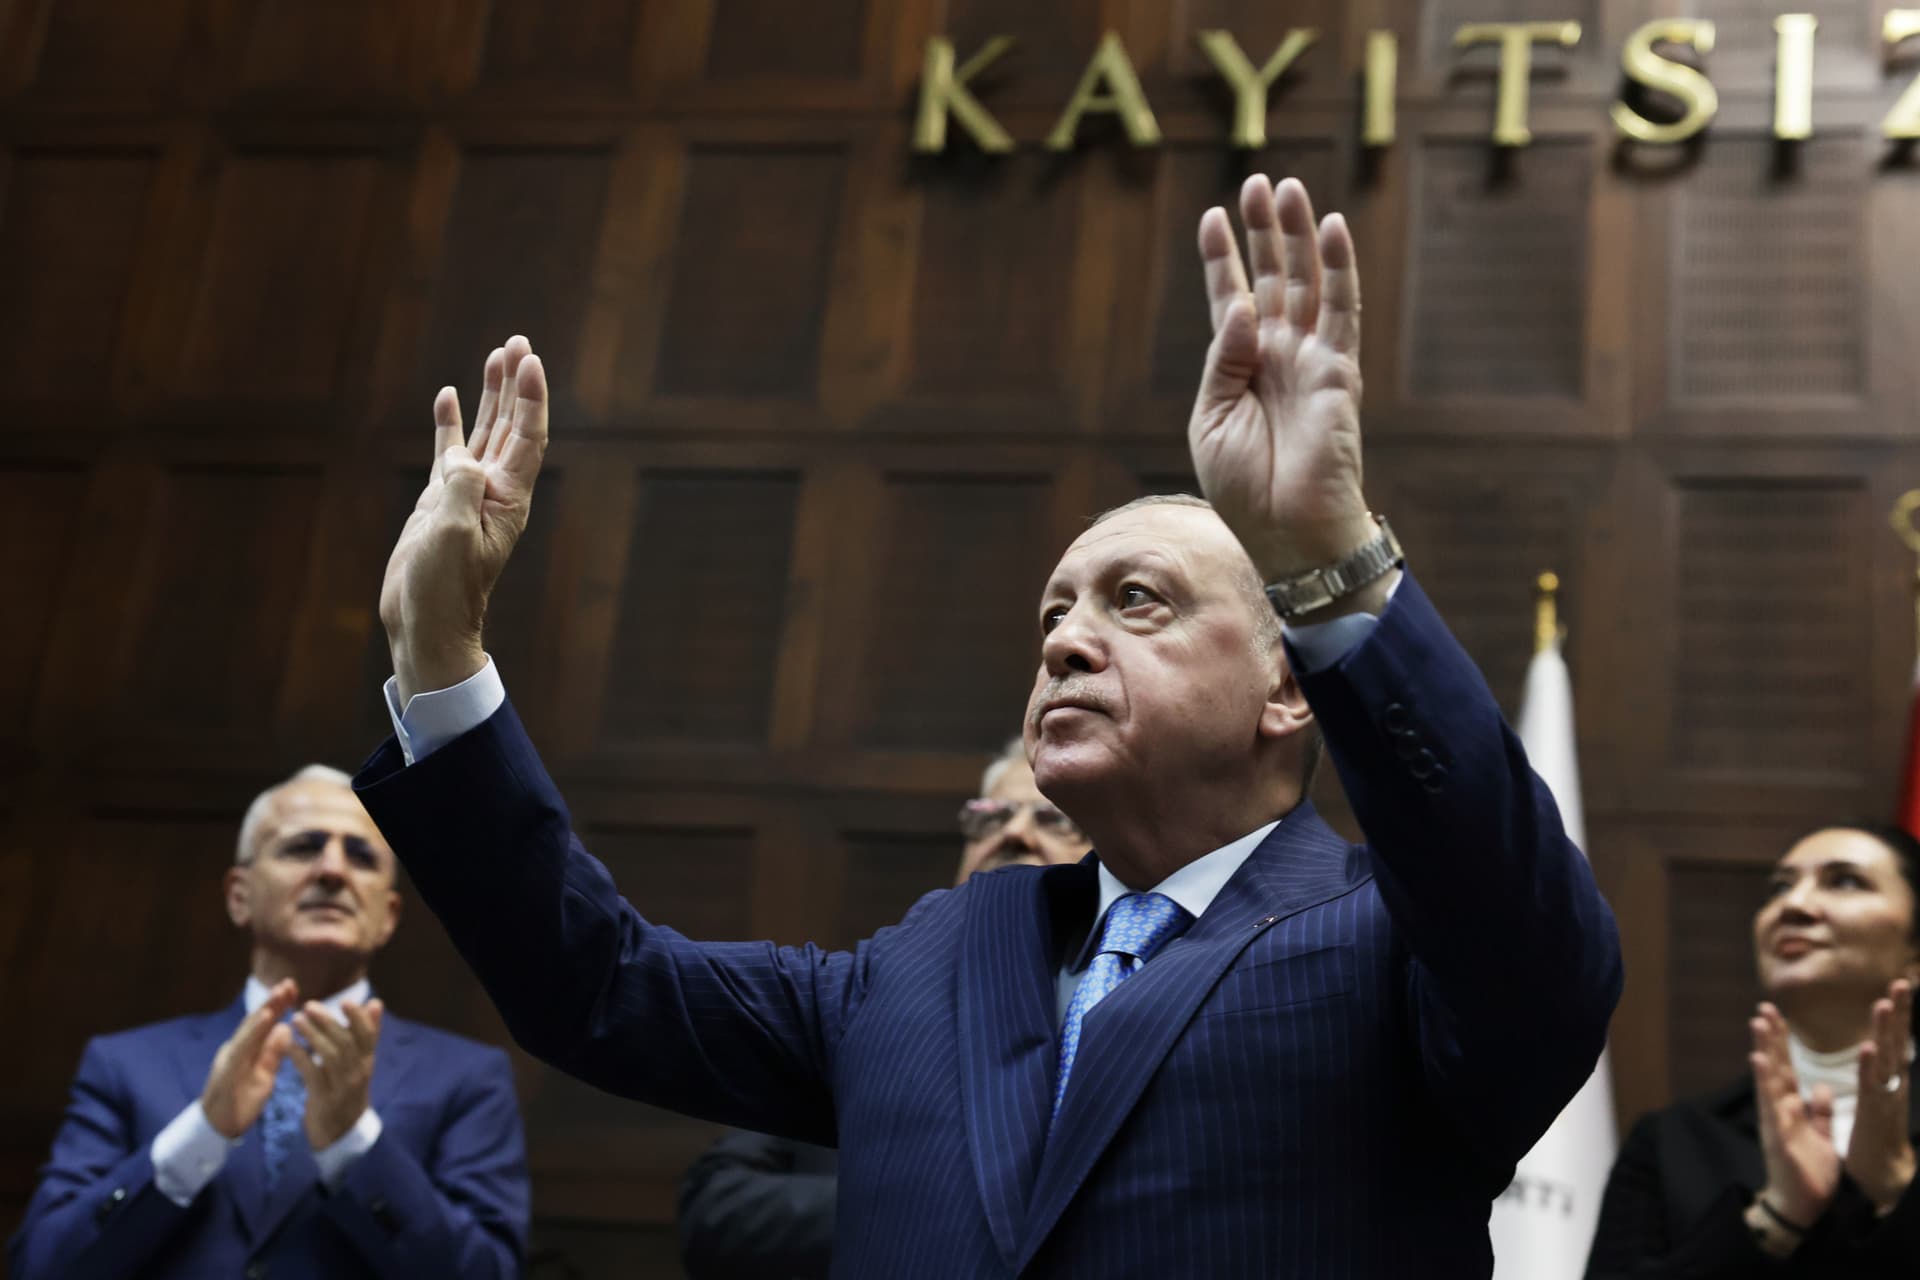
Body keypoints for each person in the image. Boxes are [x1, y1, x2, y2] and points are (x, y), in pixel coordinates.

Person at [355, 174, 1622, 1275]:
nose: (1066, 639)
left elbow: (1529, 921)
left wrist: (1330, 552)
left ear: (1290, 687)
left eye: (1139, 603)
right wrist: (439, 653)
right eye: (1055, 614)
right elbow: (600, 985)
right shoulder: (928, 959)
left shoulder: (1400, 944)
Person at [8, 765, 530, 1280]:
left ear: (388, 915)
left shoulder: (467, 1078)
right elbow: (43, 1266)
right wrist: (201, 1133)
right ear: (239, 896)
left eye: (361, 855)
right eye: (303, 846)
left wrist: (354, 1143)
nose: (332, 870)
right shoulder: (125, 1064)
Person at [677, 740, 1094, 1278]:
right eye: (990, 817)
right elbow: (718, 1210)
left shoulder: (1130, 1001)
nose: (1013, 832)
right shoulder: (873, 993)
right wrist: (913, 1210)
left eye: (1053, 818)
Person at [1586, 824, 1920, 1277]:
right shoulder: (1673, 1141)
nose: (1794, 906)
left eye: (1844, 881)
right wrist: (1776, 1218)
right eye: (1780, 887)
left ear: (1914, 955)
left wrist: (1895, 1189)